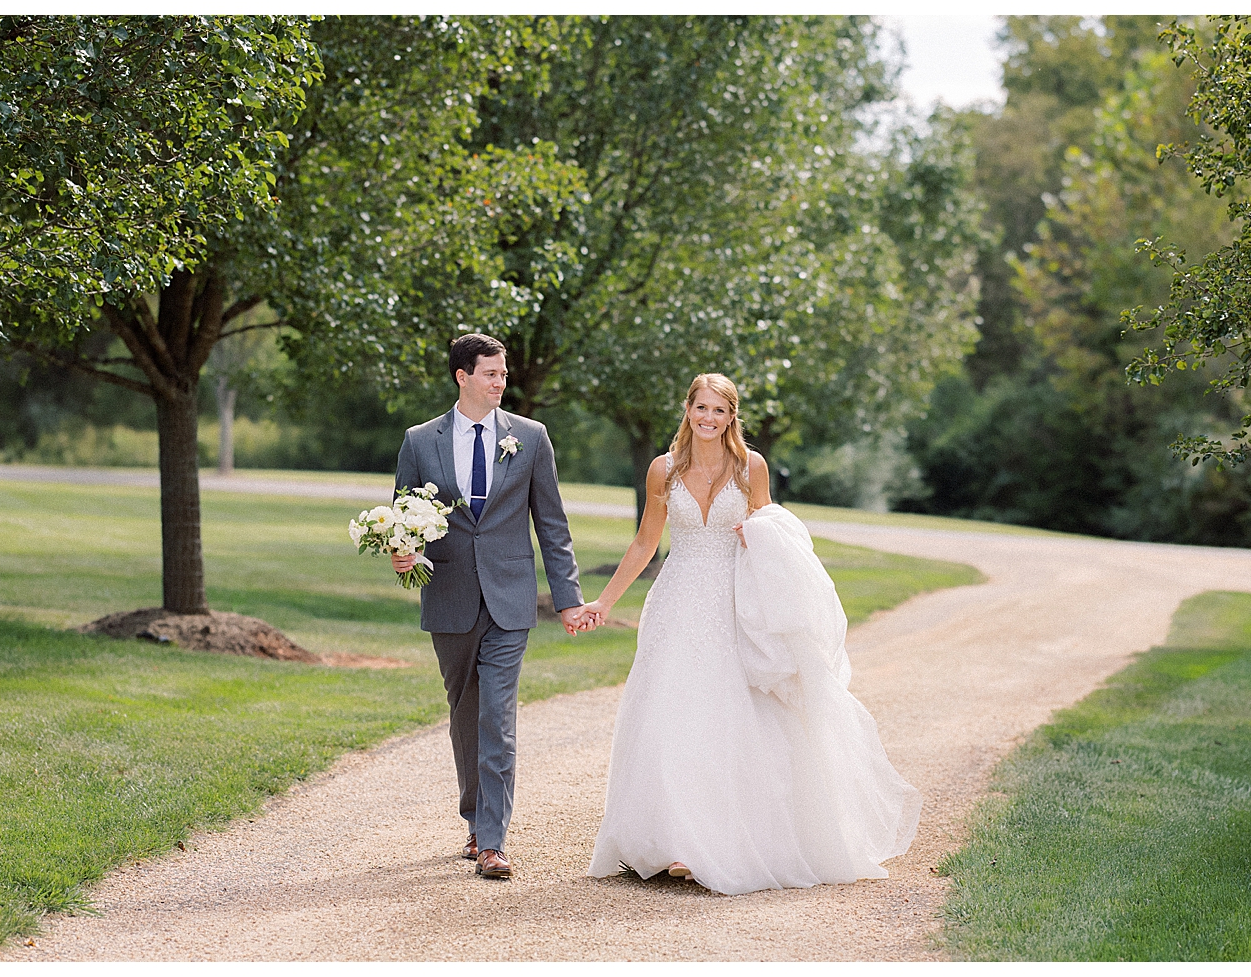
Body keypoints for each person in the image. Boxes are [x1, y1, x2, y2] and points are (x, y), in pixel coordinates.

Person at [582, 373, 922, 895]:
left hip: (735, 599)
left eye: (720, 411)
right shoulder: (663, 470)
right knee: (672, 709)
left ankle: (721, 840)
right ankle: (674, 838)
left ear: (731, 416)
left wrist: (756, 531)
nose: (709, 420)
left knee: (733, 712)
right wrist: (604, 601)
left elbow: (776, 533)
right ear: (688, 410)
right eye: (701, 409)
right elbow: (647, 540)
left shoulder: (750, 467)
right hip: (678, 600)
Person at [393, 333, 594, 880]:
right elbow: (404, 515)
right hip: (450, 596)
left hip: (510, 598)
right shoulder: (419, 441)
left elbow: (552, 525)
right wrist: (402, 551)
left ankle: (492, 840)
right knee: (464, 713)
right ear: (462, 376)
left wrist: (569, 599)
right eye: (490, 373)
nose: (501, 382)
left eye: (503, 374)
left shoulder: (531, 437)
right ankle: (474, 819)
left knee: (497, 718)